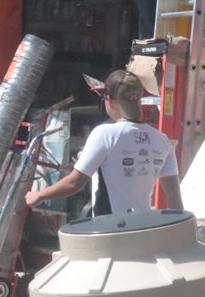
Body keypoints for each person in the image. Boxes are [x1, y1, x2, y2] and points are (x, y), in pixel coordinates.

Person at [26, 70, 183, 214]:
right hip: (142, 230)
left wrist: (39, 195)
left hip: (110, 232)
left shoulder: (105, 134)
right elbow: (174, 195)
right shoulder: (162, 140)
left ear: (110, 100)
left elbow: (74, 183)